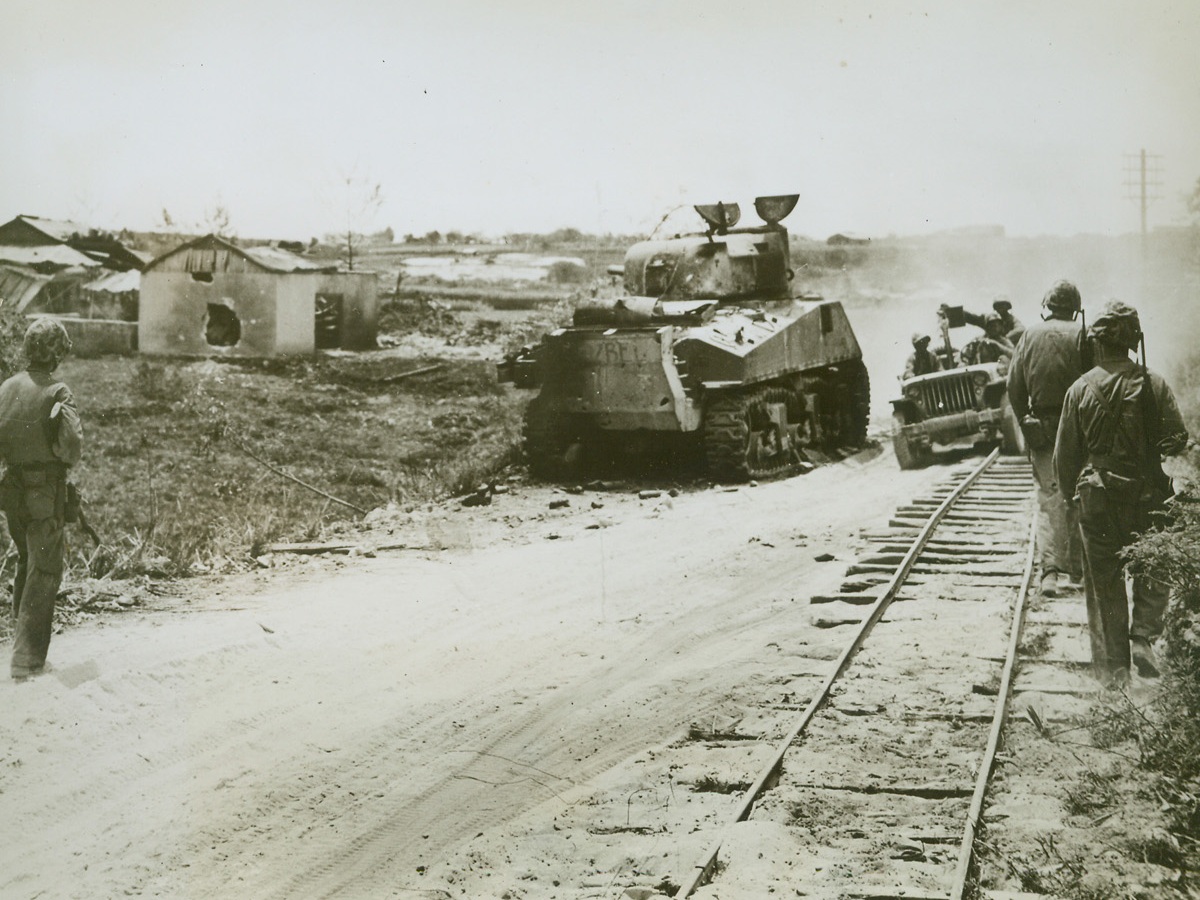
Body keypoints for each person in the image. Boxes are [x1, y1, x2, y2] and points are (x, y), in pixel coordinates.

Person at [1054, 300, 1188, 687]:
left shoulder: (1078, 390)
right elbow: (1176, 439)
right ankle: (1144, 634)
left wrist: (1071, 498)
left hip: (1098, 499)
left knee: (1106, 587)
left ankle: (1115, 677)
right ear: (1133, 340)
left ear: (1096, 343)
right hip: (1147, 494)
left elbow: (1065, 458)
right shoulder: (1154, 383)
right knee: (1155, 561)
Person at [0, 318, 83, 681]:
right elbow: (71, 448)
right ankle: (27, 659)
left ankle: (20, 646)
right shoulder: (58, 391)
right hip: (43, 492)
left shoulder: (5, 387)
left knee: (26, 562)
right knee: (44, 569)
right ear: (55, 353)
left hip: (11, 490)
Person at [1007, 279, 1089, 597]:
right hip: (1079, 425)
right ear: (1074, 308)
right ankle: (1080, 572)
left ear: (1048, 307)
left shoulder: (1029, 334)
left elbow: (1014, 387)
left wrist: (1025, 418)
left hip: (1042, 425)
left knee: (1048, 499)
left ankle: (1050, 574)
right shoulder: (1084, 334)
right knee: (1080, 495)